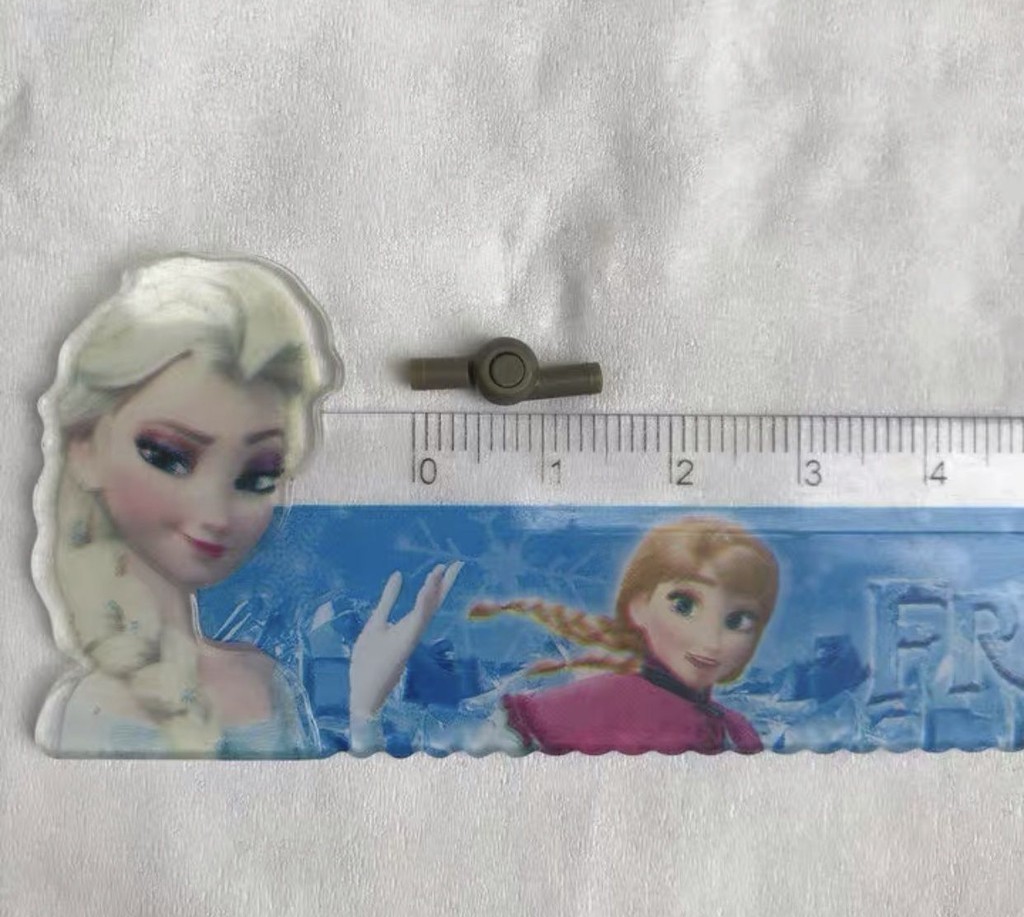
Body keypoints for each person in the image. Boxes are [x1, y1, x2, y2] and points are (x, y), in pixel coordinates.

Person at [33, 254, 460, 758]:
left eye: (258, 477)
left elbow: (320, 800)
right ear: (84, 447)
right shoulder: (92, 710)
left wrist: (365, 706)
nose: (215, 514)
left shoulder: (264, 680)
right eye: (167, 457)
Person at [470, 516, 778, 755]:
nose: (711, 640)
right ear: (639, 605)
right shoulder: (563, 712)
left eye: (738, 620)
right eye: (684, 606)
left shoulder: (737, 730)